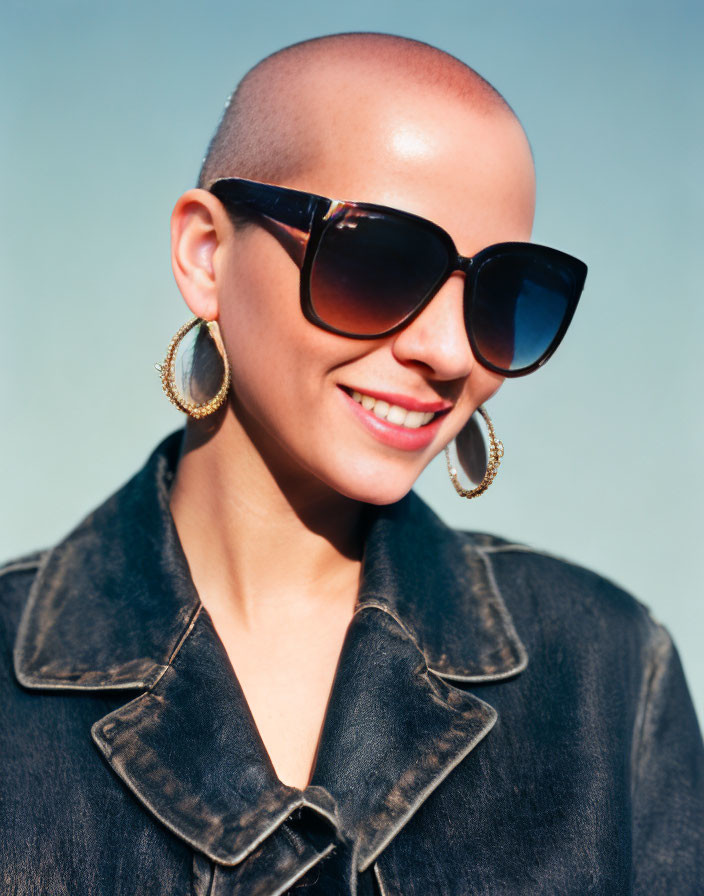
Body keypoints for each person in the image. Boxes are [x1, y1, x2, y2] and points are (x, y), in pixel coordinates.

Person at [1, 32, 702, 896]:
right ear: (206, 255)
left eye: (507, 291)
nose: (448, 351)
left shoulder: (607, 671)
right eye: (378, 261)